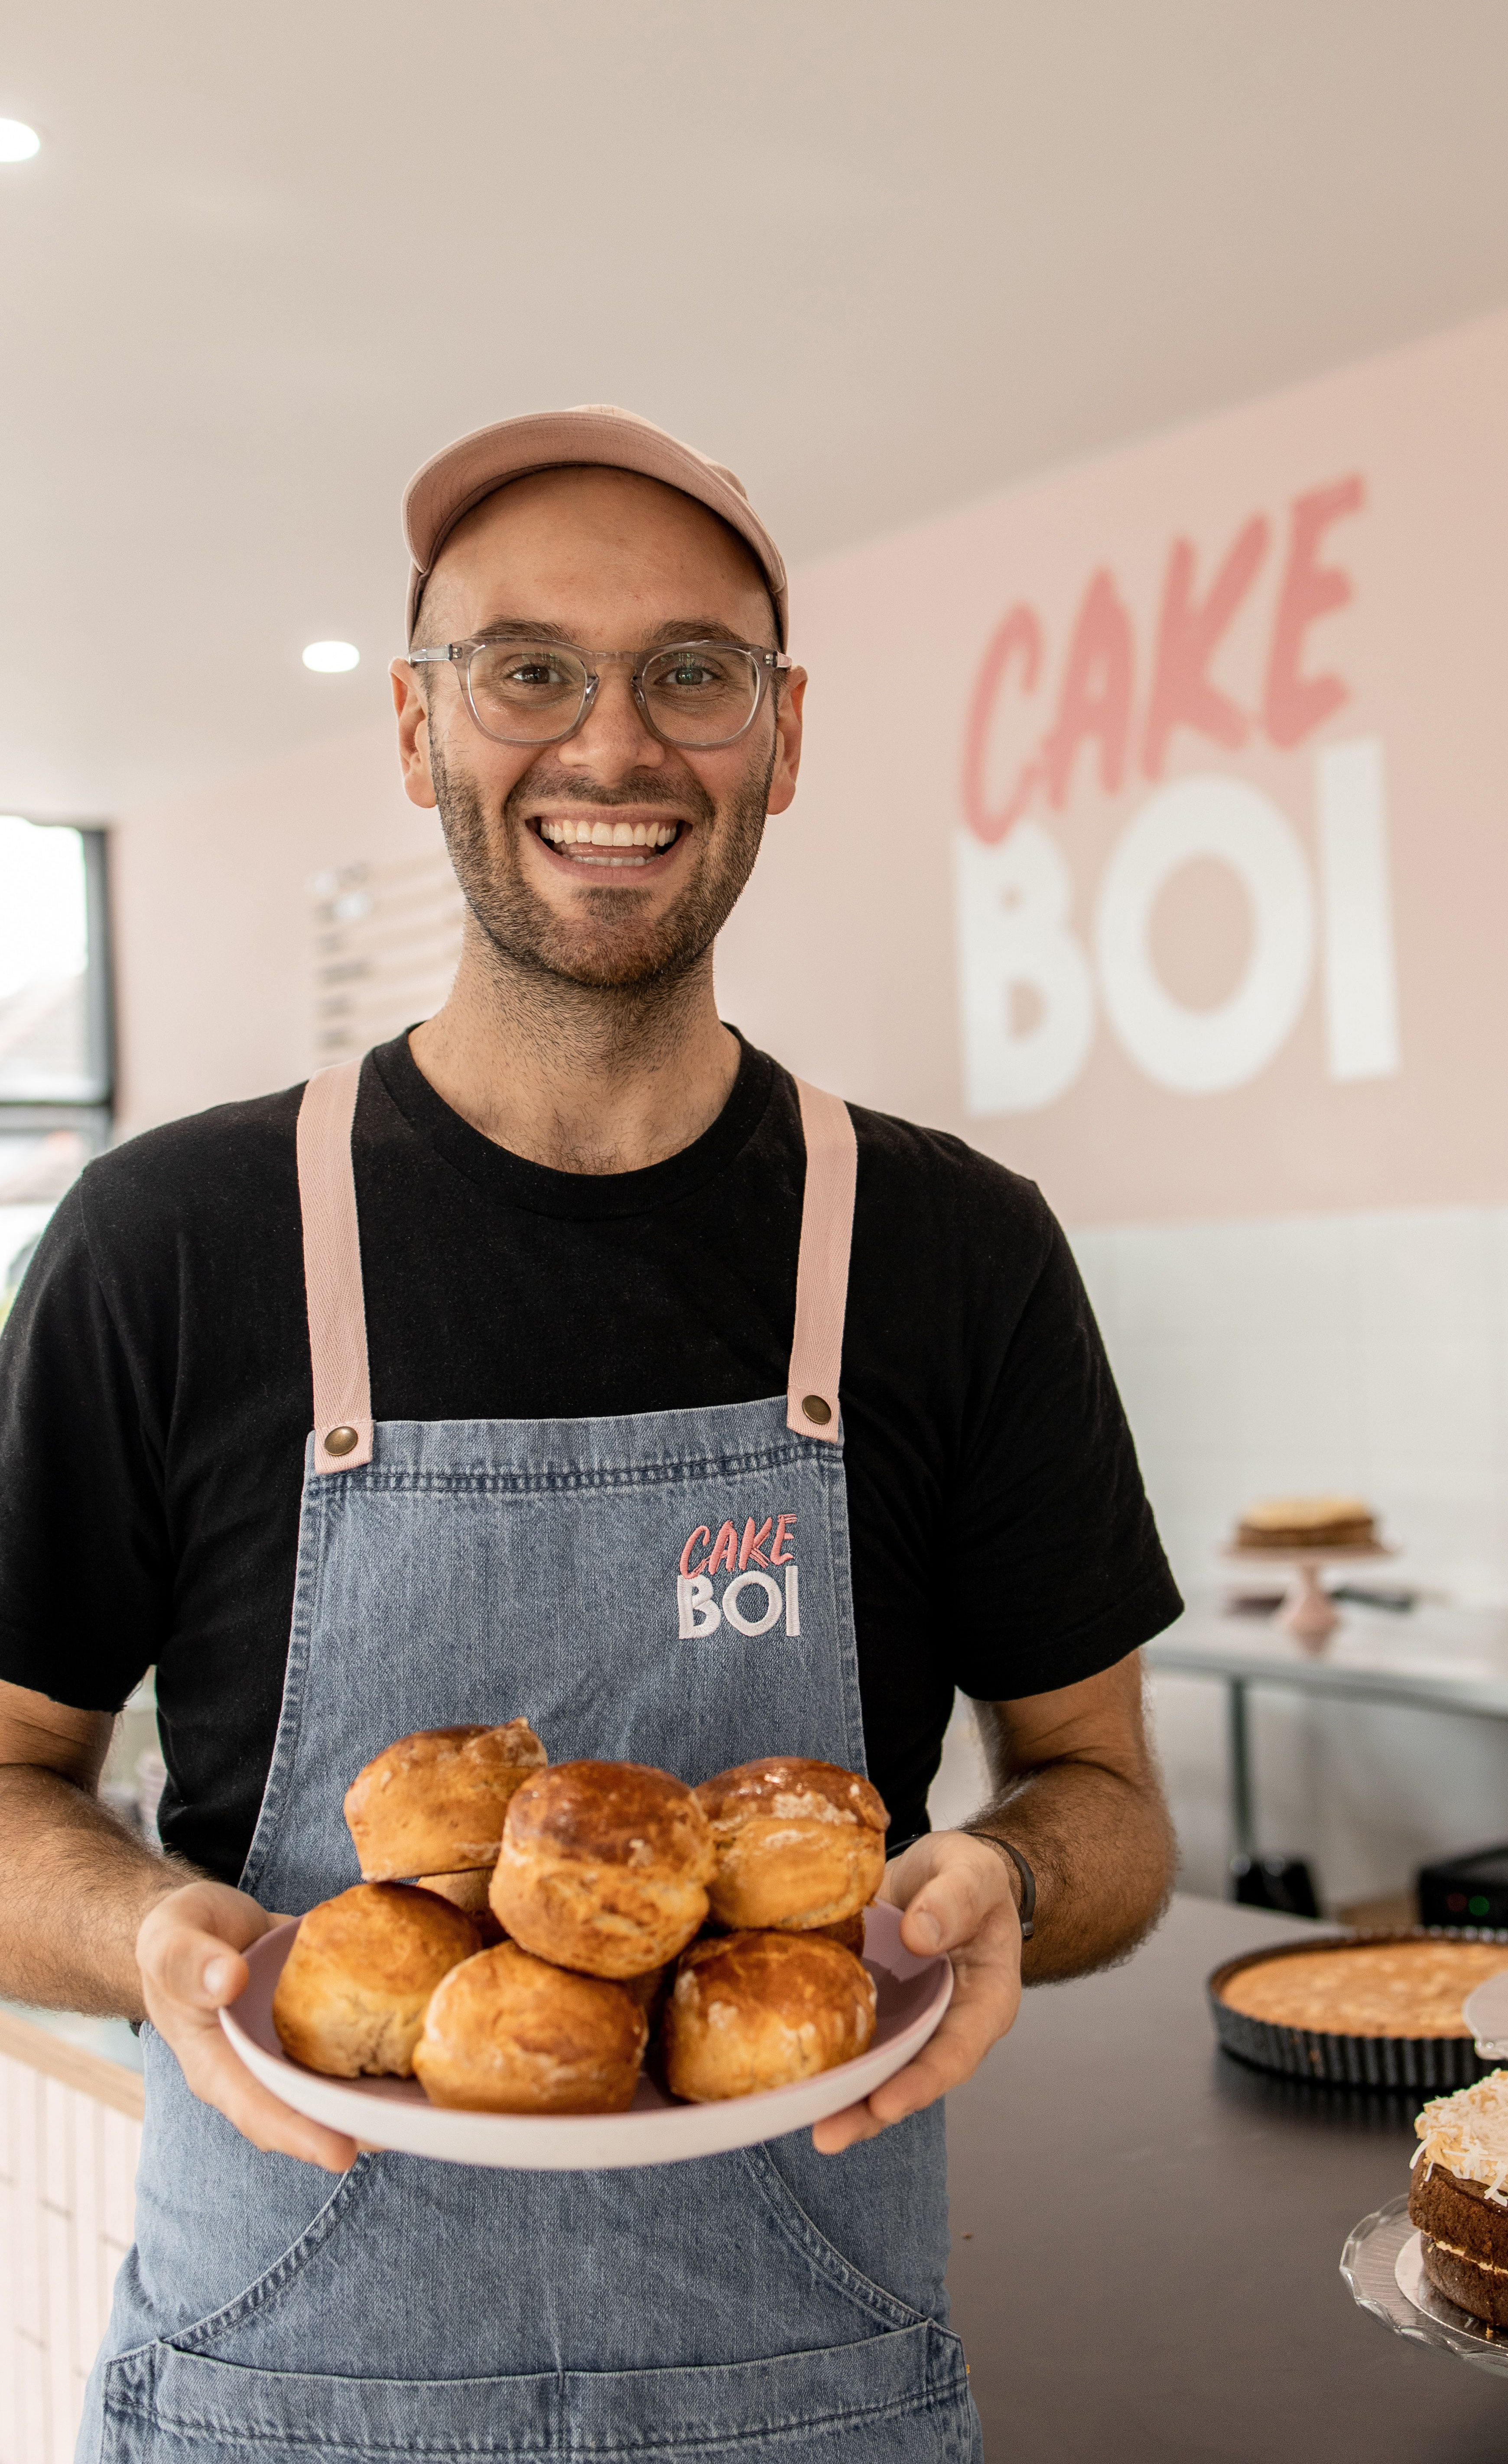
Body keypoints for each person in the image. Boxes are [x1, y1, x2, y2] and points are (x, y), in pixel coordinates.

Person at [0, 405, 1181, 2464]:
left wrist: (1001, 1880)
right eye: (526, 667)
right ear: (413, 727)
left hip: (808, 2389)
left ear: (781, 737)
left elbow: (1108, 1803)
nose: (611, 746)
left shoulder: (949, 1251)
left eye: (690, 674)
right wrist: (150, 1935)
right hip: (283, 2391)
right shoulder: (171, 1244)